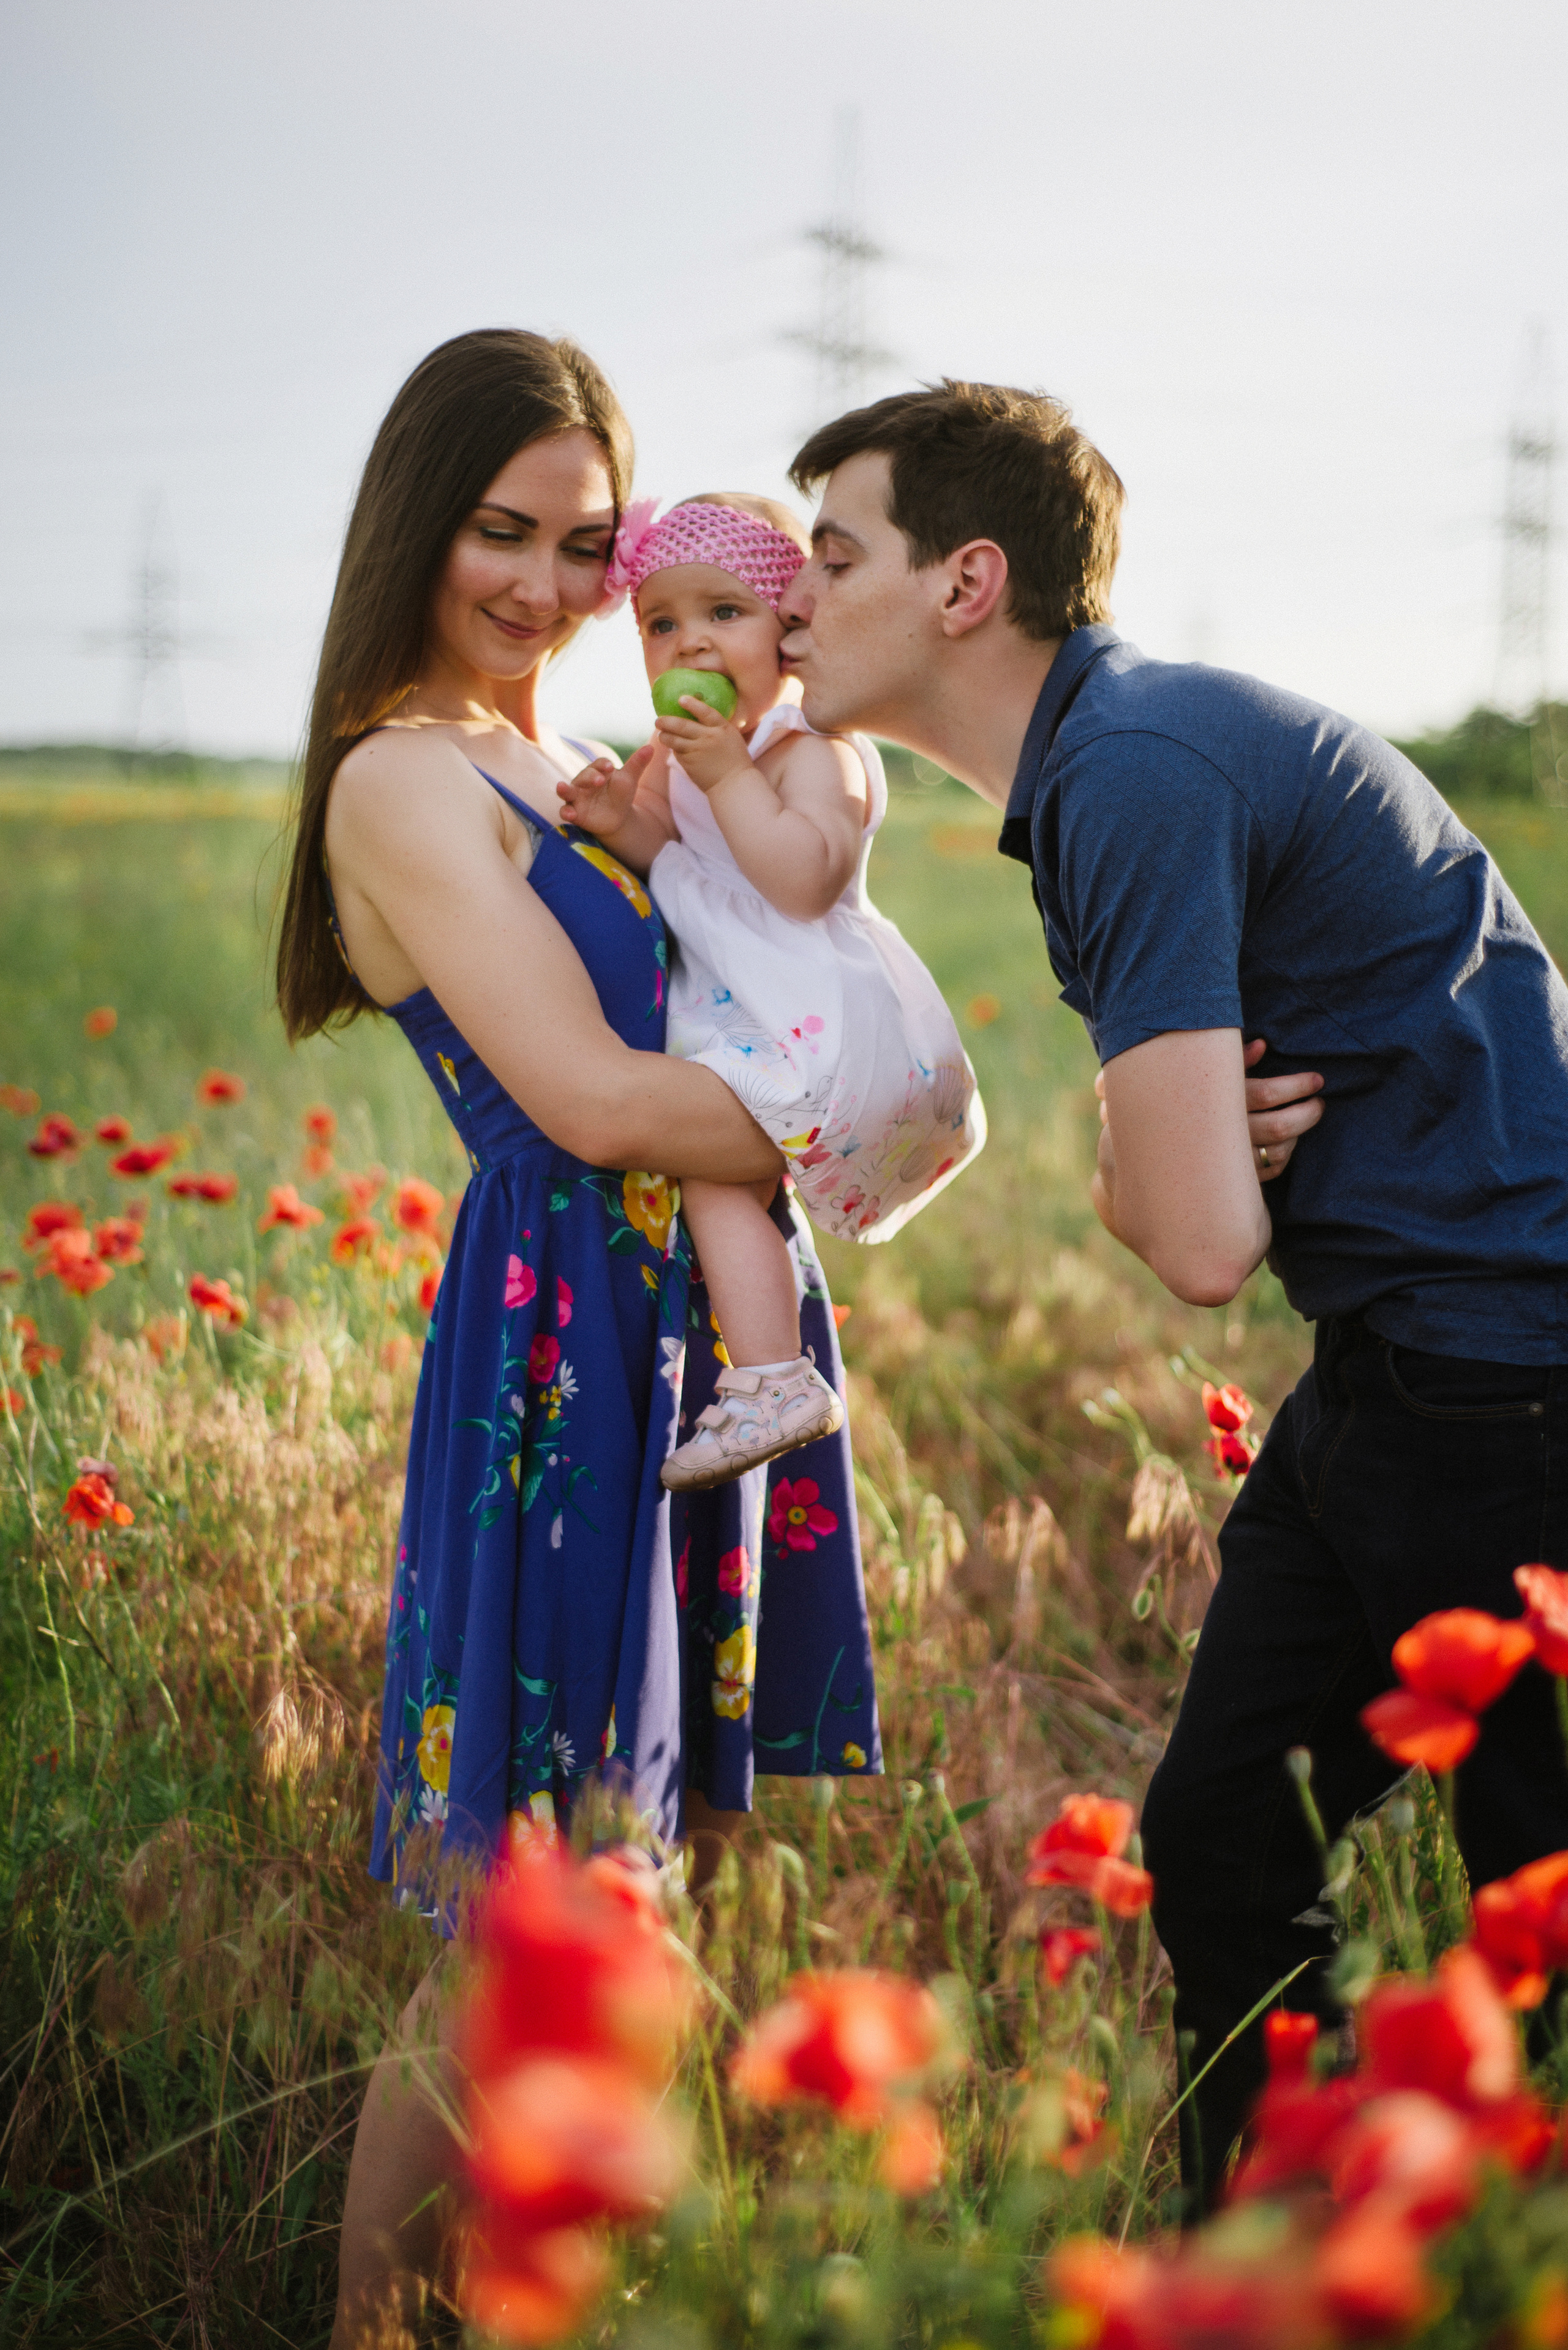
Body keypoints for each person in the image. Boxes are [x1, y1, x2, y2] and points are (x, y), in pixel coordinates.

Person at [775, 378, 1568, 2207]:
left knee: (1541, 1897)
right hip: (1391, 1374)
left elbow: (1194, 1237)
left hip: (1506, 1384)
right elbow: (1175, 1177)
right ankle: (1274, 2262)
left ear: (967, 582)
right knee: (1220, 1839)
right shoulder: (1099, 771)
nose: (790, 598)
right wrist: (1165, 1154)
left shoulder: (1133, 771)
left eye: (833, 552)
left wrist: (1168, 1160)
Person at [276, 328, 880, 2344]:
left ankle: (574, 2292)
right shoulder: (401, 775)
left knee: (668, 1870)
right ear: (417, 532)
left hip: (700, 1342)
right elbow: (600, 1104)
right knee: (513, 1919)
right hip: (565, 1359)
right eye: (498, 532)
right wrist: (878, 1112)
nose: (540, 584)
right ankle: (373, 2328)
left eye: (581, 543)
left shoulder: (566, 765)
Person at [557, 491, 984, 1489]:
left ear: (789, 631)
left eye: (723, 613)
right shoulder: (683, 761)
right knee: (722, 1190)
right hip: (747, 1020)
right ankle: (766, 1377)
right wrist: (625, 816)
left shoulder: (813, 749)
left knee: (710, 1173)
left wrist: (726, 778)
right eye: (661, 624)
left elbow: (803, 878)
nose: (687, 642)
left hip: (828, 1024)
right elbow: (681, 872)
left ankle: (775, 1379)